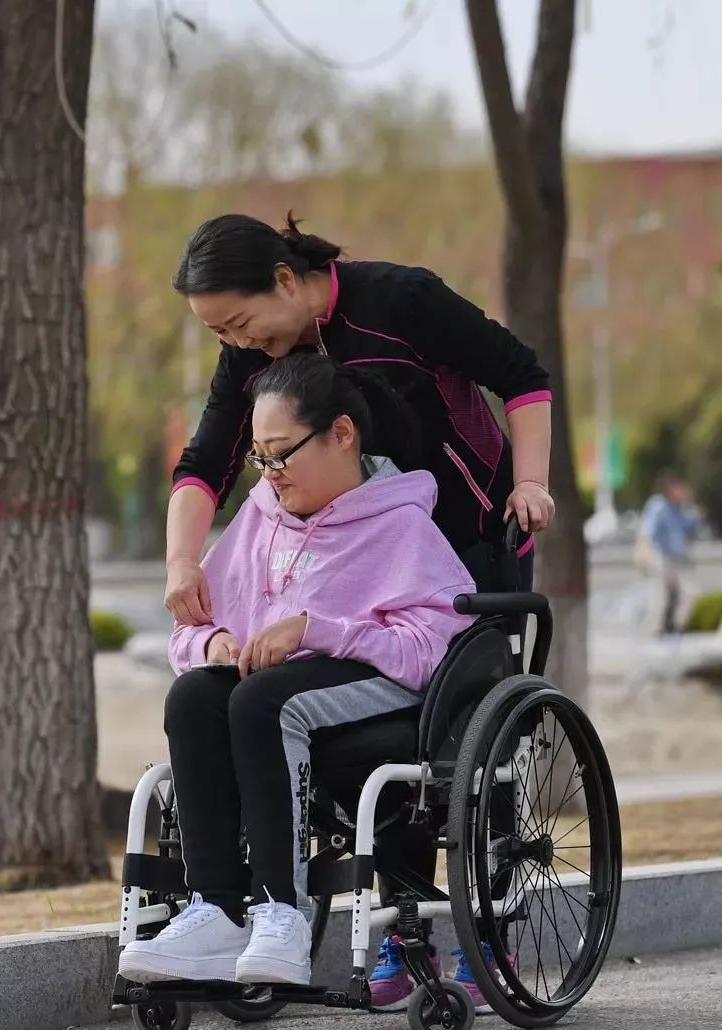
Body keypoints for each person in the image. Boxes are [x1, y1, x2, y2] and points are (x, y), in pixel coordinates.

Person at [162, 213, 556, 1009]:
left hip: (467, 533)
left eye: (239, 322)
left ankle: (491, 933)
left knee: (468, 727)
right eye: (220, 332)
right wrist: (183, 567)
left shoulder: (400, 301)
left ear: (284, 280)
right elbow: (208, 459)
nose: (238, 342)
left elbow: (522, 373)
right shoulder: (255, 360)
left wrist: (531, 480)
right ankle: (392, 938)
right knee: (246, 699)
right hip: (341, 534)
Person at [118, 353, 476, 988]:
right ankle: (217, 911)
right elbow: (187, 635)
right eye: (260, 458)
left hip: (382, 695)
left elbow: (427, 650)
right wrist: (217, 643)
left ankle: (282, 910)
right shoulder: (261, 518)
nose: (271, 473)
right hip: (274, 692)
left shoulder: (401, 524)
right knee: (196, 697)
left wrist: (315, 629)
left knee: (264, 701)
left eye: (281, 453)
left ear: (342, 434)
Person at [636, 471, 700, 636]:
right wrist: (643, 552)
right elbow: (646, 531)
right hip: (660, 556)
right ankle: (655, 631)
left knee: (689, 593)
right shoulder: (658, 505)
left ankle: (676, 627)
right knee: (660, 596)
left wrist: (690, 508)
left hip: (678, 559)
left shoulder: (683, 510)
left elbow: (692, 532)